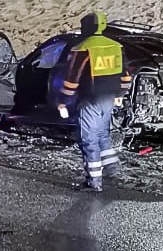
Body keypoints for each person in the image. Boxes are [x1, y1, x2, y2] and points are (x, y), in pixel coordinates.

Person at [57, 11, 132, 192]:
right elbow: (126, 74)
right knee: (102, 135)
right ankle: (112, 171)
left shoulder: (83, 48)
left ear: (87, 27)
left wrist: (63, 101)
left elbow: (71, 80)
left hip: (89, 99)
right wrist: (120, 95)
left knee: (88, 139)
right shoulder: (116, 46)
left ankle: (94, 182)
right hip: (108, 98)